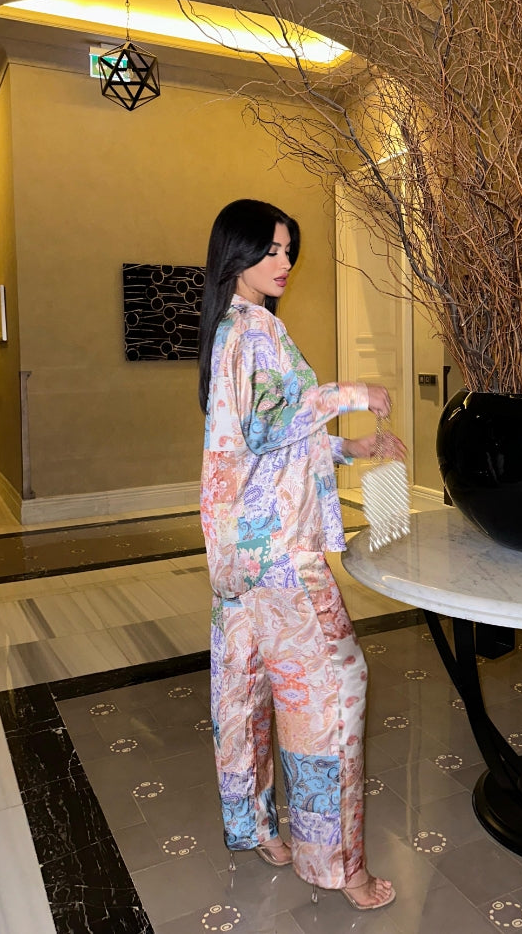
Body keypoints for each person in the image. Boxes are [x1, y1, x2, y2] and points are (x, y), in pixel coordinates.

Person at [198, 198, 404, 911]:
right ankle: (339, 866)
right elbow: (267, 428)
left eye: (289, 250)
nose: (283, 262)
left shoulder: (232, 330)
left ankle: (255, 826)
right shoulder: (252, 332)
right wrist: (351, 392)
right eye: (270, 249)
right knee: (333, 688)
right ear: (236, 254)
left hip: (239, 552)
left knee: (244, 688)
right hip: (281, 553)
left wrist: (353, 447)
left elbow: (270, 445)